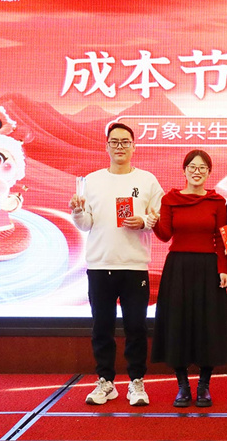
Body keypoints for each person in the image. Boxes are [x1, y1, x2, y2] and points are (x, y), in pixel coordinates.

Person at [69, 121, 164, 406]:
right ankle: (106, 382)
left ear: (134, 146)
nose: (120, 147)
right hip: (100, 265)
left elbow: (158, 217)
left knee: (136, 327)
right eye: (114, 142)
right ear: (107, 146)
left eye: (125, 142)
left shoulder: (147, 180)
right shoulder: (92, 180)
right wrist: (77, 212)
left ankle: (136, 382)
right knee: (102, 327)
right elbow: (86, 224)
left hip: (134, 265)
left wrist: (143, 221)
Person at [148, 150, 227, 408]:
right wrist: (153, 222)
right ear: (184, 170)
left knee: (209, 325)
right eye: (192, 167)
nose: (197, 171)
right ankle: (183, 386)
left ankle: (204, 386)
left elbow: (221, 238)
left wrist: (223, 269)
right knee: (178, 323)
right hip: (178, 267)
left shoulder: (217, 201)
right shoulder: (170, 199)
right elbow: (165, 235)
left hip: (209, 267)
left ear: (209, 172)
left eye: (202, 167)